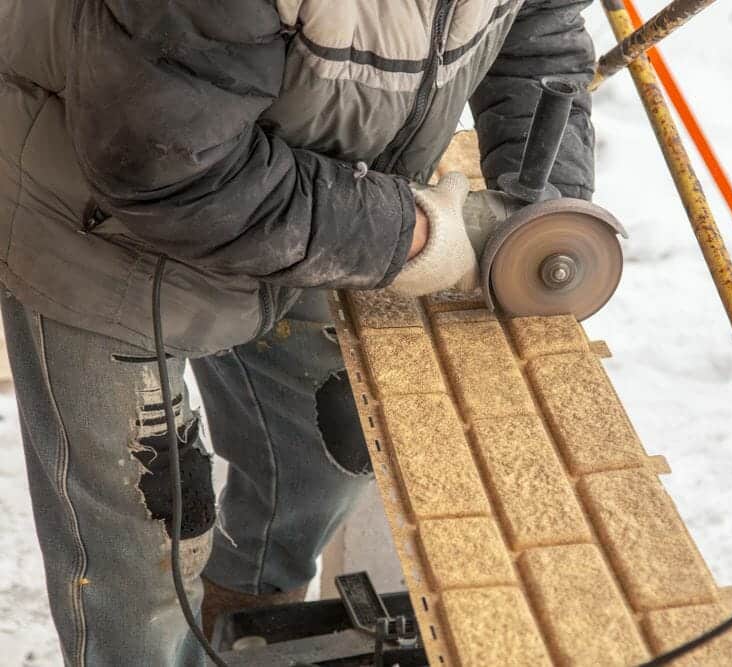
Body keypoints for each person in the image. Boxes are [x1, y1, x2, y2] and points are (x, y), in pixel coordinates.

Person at [0, 1, 596, 664]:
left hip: (317, 198)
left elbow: (538, 27)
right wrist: (411, 235)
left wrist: (543, 195)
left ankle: (242, 628)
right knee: (151, 541)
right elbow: (166, 161)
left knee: (324, 446)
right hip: (96, 222)